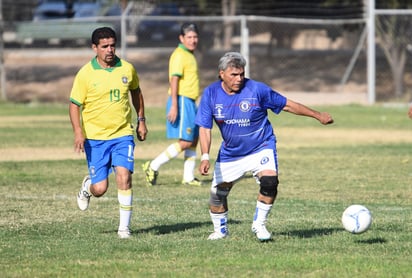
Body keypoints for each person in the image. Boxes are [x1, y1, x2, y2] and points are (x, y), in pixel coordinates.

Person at [195, 52, 334, 241]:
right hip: (231, 153)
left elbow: (287, 105)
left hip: (261, 145)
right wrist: (204, 156)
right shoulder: (211, 94)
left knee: (270, 183)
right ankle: (220, 231)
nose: (239, 79)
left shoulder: (257, 90)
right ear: (221, 74)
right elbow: (205, 127)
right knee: (218, 195)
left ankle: (259, 224)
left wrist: (317, 115)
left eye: (241, 74)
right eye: (233, 75)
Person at [69, 27, 147, 239]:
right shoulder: (85, 74)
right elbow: (75, 105)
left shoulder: (127, 69)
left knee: (124, 177)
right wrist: (78, 132)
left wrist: (141, 120)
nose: (110, 50)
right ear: (95, 48)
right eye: (105, 46)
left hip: (123, 134)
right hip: (95, 138)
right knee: (101, 188)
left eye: (113, 45)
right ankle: (88, 186)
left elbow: (136, 92)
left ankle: (124, 229)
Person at [142, 23, 201, 187]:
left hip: (190, 101)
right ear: (181, 38)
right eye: (189, 37)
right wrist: (175, 105)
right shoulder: (179, 54)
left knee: (194, 138)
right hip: (181, 100)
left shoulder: (190, 54)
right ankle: (153, 165)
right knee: (186, 141)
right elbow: (173, 80)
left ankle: (188, 177)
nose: (193, 40)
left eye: (195, 36)